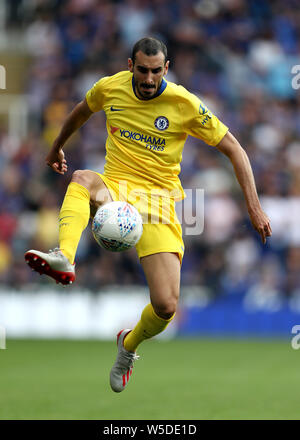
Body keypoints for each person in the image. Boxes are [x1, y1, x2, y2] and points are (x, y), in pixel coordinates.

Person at [25, 37, 272, 393]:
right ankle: (64, 256)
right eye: (142, 70)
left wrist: (254, 205)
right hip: (116, 188)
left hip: (158, 203)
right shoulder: (110, 88)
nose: (149, 78)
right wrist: (56, 146)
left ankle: (128, 345)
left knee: (166, 306)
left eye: (156, 71)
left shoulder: (184, 103)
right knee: (80, 179)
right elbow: (82, 109)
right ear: (131, 66)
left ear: (166, 69)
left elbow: (235, 149)